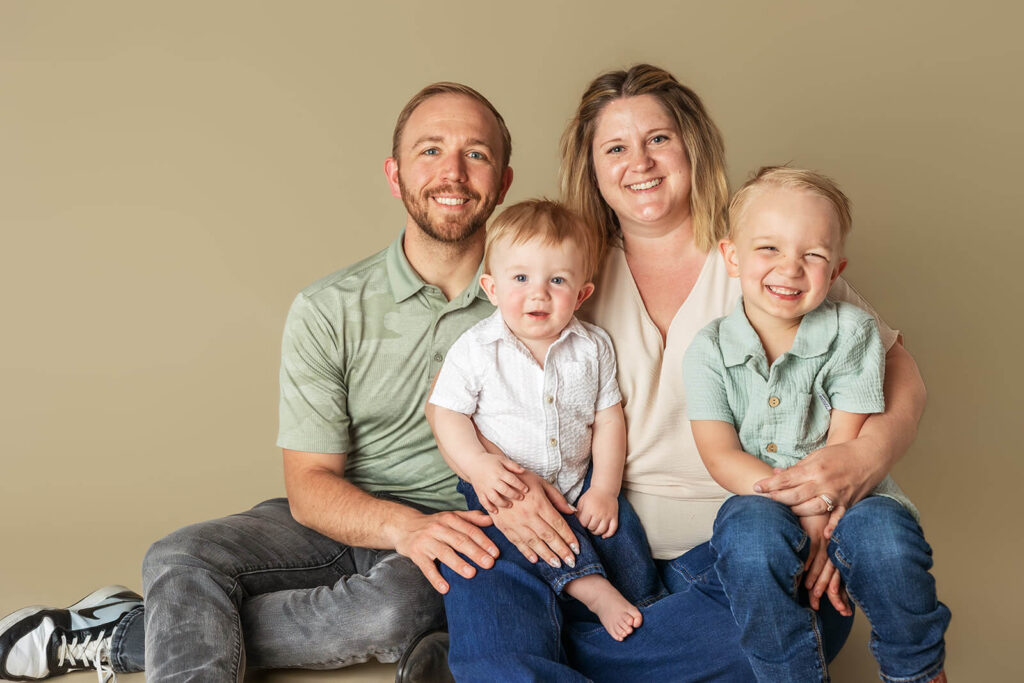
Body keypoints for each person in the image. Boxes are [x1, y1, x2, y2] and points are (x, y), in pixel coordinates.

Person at [0, 81, 515, 682]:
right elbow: (310, 483)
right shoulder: (329, 307)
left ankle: (135, 630)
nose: (452, 172)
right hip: (339, 516)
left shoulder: (539, 300)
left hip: (459, 534)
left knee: (399, 610)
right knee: (180, 555)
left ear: (503, 181)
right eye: (429, 150)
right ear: (395, 173)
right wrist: (402, 525)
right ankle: (175, 621)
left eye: (475, 153)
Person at [440, 64, 929, 681]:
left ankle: (539, 662)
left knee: (770, 619)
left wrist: (858, 470)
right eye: (615, 148)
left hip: (755, 548)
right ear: (592, 169)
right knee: (483, 559)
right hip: (607, 541)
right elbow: (487, 388)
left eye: (659, 139)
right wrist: (497, 485)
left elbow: (897, 369)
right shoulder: (563, 276)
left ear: (693, 146)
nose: (639, 162)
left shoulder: (763, 254)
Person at [683, 166, 950, 683]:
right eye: (769, 250)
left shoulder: (853, 332)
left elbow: (843, 446)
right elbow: (719, 455)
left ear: (836, 269)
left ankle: (917, 671)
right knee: (748, 538)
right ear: (731, 257)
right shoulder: (709, 349)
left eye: (814, 255)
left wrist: (823, 523)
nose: (790, 269)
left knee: (886, 539)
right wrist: (801, 515)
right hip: (761, 499)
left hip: (853, 495)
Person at [428, 199, 665, 641]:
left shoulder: (593, 347)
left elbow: (608, 420)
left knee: (622, 533)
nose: (538, 293)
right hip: (502, 484)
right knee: (543, 543)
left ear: (581, 294)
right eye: (520, 278)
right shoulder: (476, 349)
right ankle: (593, 593)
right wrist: (478, 467)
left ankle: (651, 604)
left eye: (557, 280)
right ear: (491, 288)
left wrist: (605, 490)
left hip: (579, 479)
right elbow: (447, 413)